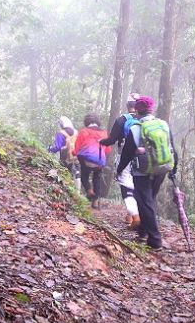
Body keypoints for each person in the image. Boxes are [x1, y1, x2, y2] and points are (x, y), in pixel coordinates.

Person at [116, 95, 179, 251]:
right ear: (151, 110)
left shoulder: (135, 129)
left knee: (145, 202)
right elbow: (172, 148)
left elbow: (127, 154)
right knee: (149, 200)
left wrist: (119, 170)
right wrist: (173, 169)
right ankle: (143, 231)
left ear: (137, 110)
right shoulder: (163, 125)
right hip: (162, 169)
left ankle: (155, 239)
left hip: (142, 172)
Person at [100, 94, 141, 229]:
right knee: (137, 186)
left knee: (126, 187)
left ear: (127, 105)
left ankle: (135, 217)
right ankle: (129, 216)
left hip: (126, 156)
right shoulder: (145, 119)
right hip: (144, 159)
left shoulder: (121, 120)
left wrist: (100, 142)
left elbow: (111, 140)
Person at [72, 113, 111, 209]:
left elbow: (77, 148)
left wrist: (74, 153)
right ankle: (95, 201)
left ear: (86, 122)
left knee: (84, 176)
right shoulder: (104, 133)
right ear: (97, 122)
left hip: (86, 160)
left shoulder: (84, 131)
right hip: (99, 161)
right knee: (96, 179)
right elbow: (108, 149)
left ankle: (89, 190)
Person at [48, 116, 79, 181]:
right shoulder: (76, 132)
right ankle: (76, 189)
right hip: (76, 158)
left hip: (65, 158)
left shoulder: (61, 133)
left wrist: (50, 149)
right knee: (76, 175)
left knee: (64, 173)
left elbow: (57, 147)